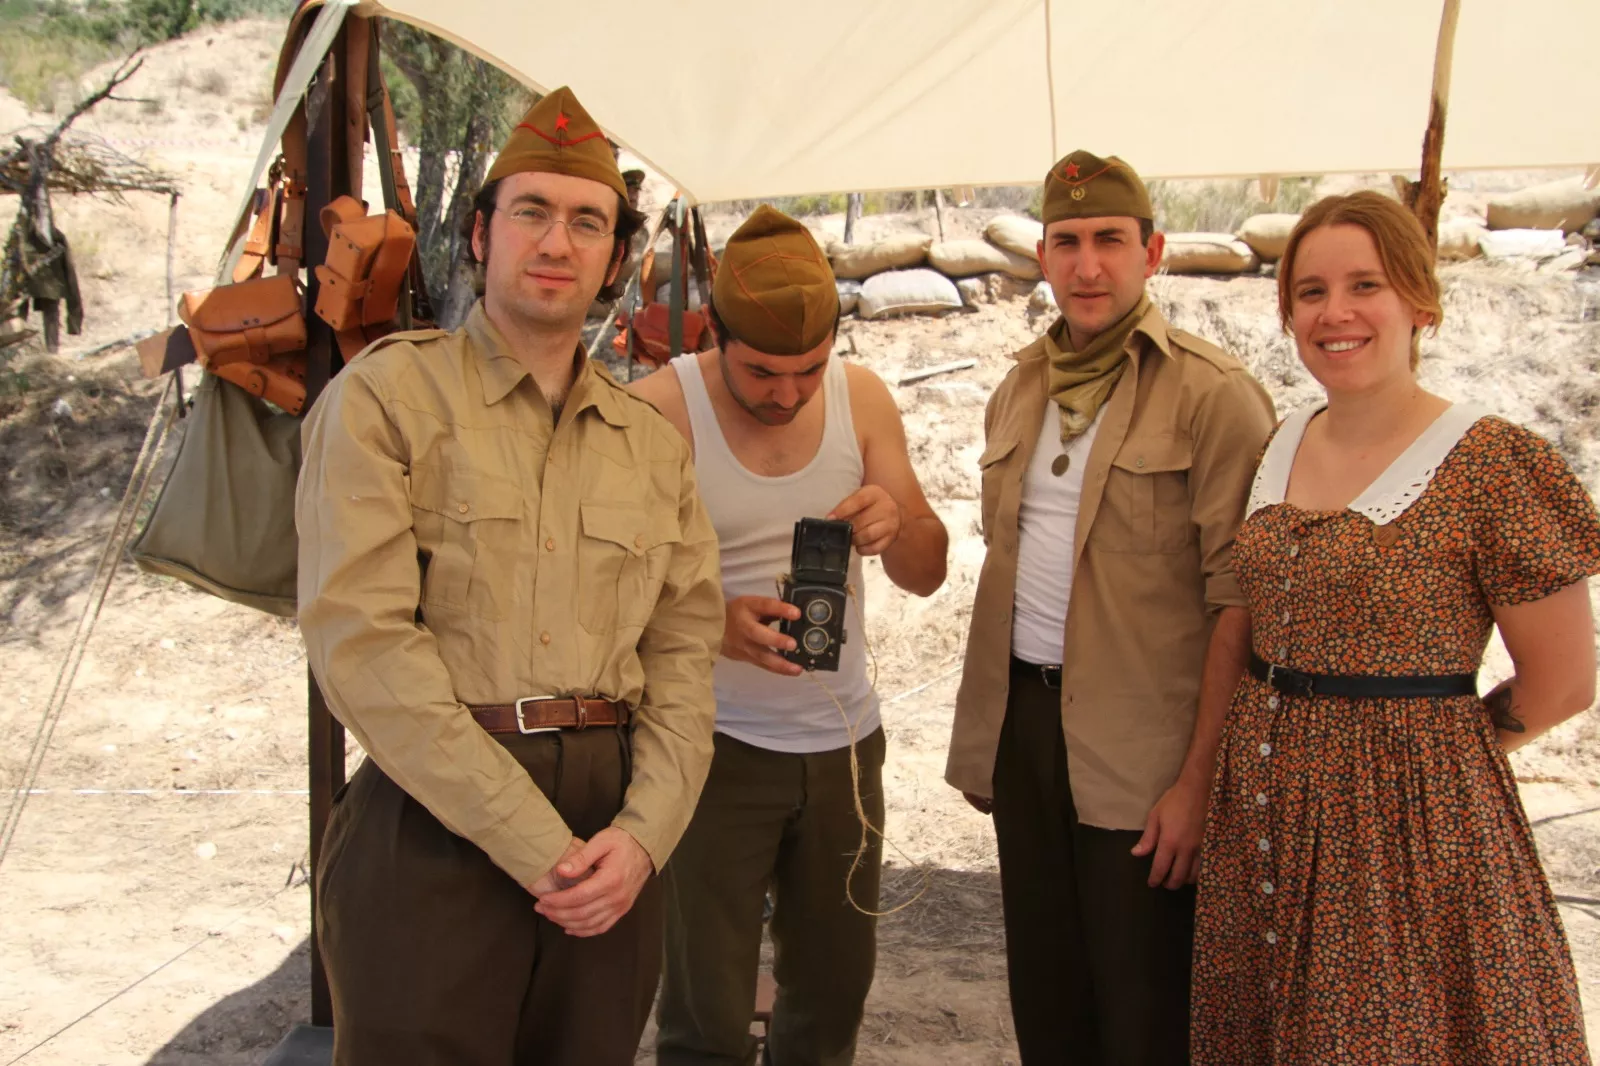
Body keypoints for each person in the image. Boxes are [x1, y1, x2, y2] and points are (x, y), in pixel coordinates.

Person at [295, 87, 724, 1066]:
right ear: (481, 234)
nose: (556, 242)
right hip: (432, 826)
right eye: (531, 211)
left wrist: (644, 838)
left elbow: (686, 662)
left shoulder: (650, 447)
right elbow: (362, 647)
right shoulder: (387, 400)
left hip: (611, 835)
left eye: (587, 223)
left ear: (616, 260)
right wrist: (541, 848)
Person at [1190, 190, 1599, 1065]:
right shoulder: (1282, 439)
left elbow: (1564, 682)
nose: (1335, 313)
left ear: (1420, 301)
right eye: (1310, 292)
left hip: (1407, 838)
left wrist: (1427, 752)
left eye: (1364, 285)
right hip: (1263, 817)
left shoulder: (1489, 462)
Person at [944, 150, 1276, 1066]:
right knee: (1047, 1001)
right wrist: (990, 738)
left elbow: (1241, 603)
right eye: (1067, 242)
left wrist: (1200, 784)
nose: (1088, 266)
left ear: (1152, 252)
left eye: (1110, 242)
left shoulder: (1215, 397)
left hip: (1147, 755)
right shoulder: (1018, 387)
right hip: (1029, 730)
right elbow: (1006, 572)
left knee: (1145, 1014)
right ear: (1043, 257)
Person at [630, 204, 948, 1066]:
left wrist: (899, 526)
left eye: (809, 370)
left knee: (832, 996)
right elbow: (603, 602)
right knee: (705, 1009)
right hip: (711, 749)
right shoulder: (660, 411)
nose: (787, 394)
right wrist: (713, 624)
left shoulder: (862, 398)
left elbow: (928, 568)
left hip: (844, 748)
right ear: (712, 332)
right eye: (764, 371)